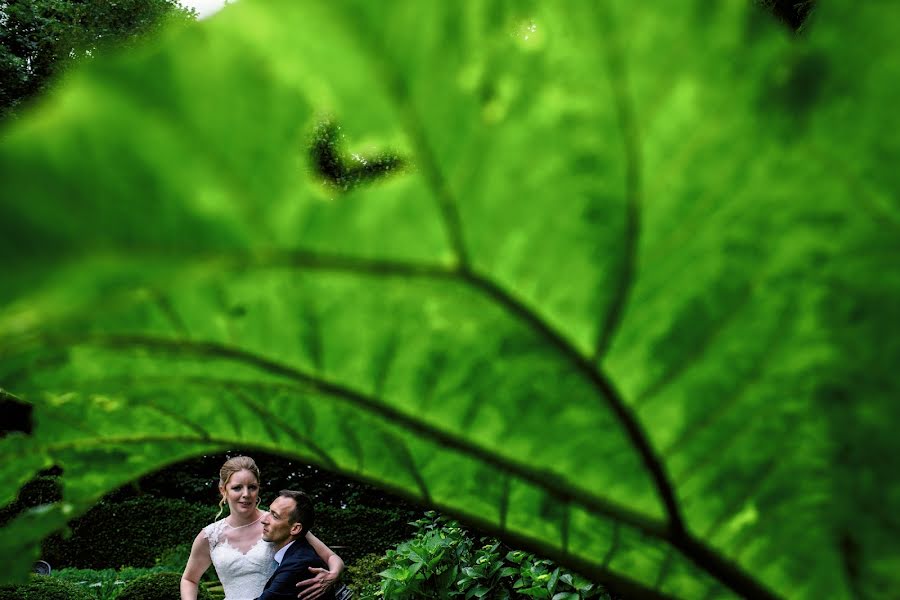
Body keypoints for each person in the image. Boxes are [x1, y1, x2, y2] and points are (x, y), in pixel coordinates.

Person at [180, 456, 343, 600]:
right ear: (223, 490)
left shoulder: (278, 525)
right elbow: (189, 579)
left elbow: (331, 557)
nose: (246, 494)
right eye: (237, 488)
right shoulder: (210, 535)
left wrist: (332, 575)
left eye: (252, 487)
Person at [256, 490, 335, 600]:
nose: (264, 520)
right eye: (269, 511)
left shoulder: (297, 564)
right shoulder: (298, 553)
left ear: (295, 529)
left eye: (274, 516)